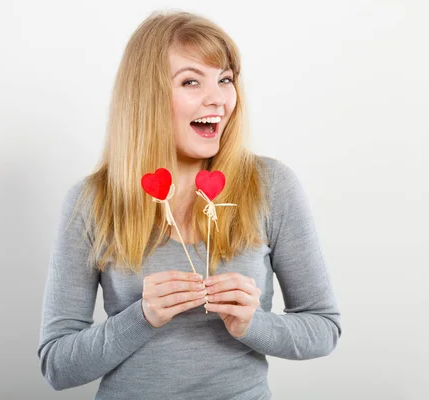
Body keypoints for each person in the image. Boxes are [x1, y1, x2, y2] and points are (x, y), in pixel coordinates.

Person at [37, 10, 341, 400]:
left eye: (225, 79)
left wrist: (252, 323)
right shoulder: (90, 202)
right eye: (191, 81)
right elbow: (56, 365)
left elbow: (323, 328)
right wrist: (142, 317)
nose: (218, 99)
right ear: (146, 96)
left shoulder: (272, 186)